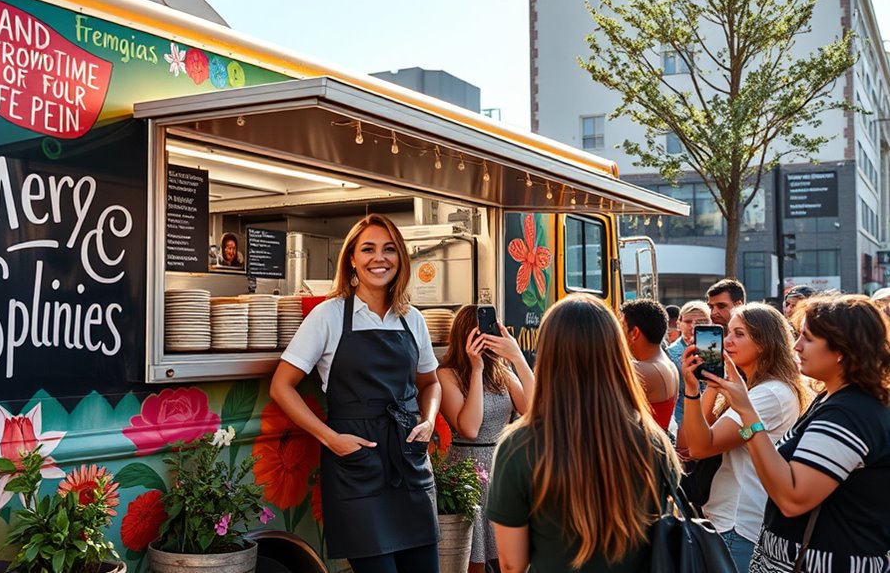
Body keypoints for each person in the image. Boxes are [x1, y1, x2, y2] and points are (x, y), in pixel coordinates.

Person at [270, 214, 442, 572]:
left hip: (408, 460)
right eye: (368, 249)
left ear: (401, 259)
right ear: (351, 258)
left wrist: (427, 422)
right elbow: (281, 386)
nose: (379, 258)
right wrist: (330, 438)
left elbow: (431, 383)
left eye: (389, 249)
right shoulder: (328, 316)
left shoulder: (413, 319)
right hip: (356, 464)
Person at [488, 294, 680, 573]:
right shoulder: (653, 441)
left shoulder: (518, 446)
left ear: (548, 354)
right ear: (616, 353)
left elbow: (511, 564)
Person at [707, 295, 890, 572]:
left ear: (841, 349)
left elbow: (793, 499)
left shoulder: (849, 414)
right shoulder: (832, 399)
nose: (796, 346)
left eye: (808, 338)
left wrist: (747, 412)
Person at [679, 303, 810, 572]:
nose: (727, 341)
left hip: (738, 525)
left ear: (764, 343)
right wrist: (710, 385)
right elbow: (685, 444)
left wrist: (692, 391)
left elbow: (700, 447)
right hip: (725, 520)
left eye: (739, 334)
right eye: (727, 333)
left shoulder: (770, 393)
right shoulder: (745, 388)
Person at [436, 305, 535, 573]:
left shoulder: (503, 372)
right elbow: (469, 428)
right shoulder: (447, 375)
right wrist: (476, 369)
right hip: (468, 470)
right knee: (475, 561)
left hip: (501, 468)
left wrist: (517, 358)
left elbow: (536, 410)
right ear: (465, 337)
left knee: (508, 560)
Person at [621, 299, 680, 430]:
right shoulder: (667, 363)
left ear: (635, 333)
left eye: (621, 327)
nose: (618, 335)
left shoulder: (641, 370)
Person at [667, 301, 711, 428]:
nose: (693, 326)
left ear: (710, 323)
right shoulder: (670, 354)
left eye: (701, 321)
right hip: (683, 422)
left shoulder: (721, 350)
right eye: (688, 321)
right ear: (679, 324)